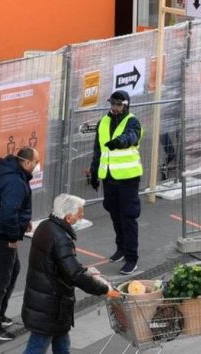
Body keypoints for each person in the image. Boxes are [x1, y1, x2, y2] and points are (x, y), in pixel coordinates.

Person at [21, 194, 120, 354]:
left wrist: (85, 270)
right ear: (68, 217)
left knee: (61, 341)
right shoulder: (61, 238)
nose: (82, 216)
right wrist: (103, 289)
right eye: (79, 214)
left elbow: (63, 264)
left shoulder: (45, 226)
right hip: (51, 305)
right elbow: (74, 275)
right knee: (37, 347)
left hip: (46, 300)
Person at [0, 147, 39, 341]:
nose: (37, 166)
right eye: (36, 162)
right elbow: (8, 212)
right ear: (27, 162)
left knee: (12, 271)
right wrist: (13, 238)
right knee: (1, 278)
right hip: (1, 235)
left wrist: (24, 221)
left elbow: (14, 207)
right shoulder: (15, 181)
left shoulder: (12, 172)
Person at [89, 90, 144, 275]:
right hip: (110, 177)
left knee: (128, 216)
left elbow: (132, 137)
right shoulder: (103, 122)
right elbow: (98, 150)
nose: (114, 107)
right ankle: (121, 248)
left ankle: (131, 258)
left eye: (118, 104)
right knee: (115, 214)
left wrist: (119, 142)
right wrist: (94, 173)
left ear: (126, 105)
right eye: (112, 104)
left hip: (128, 178)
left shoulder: (133, 121)